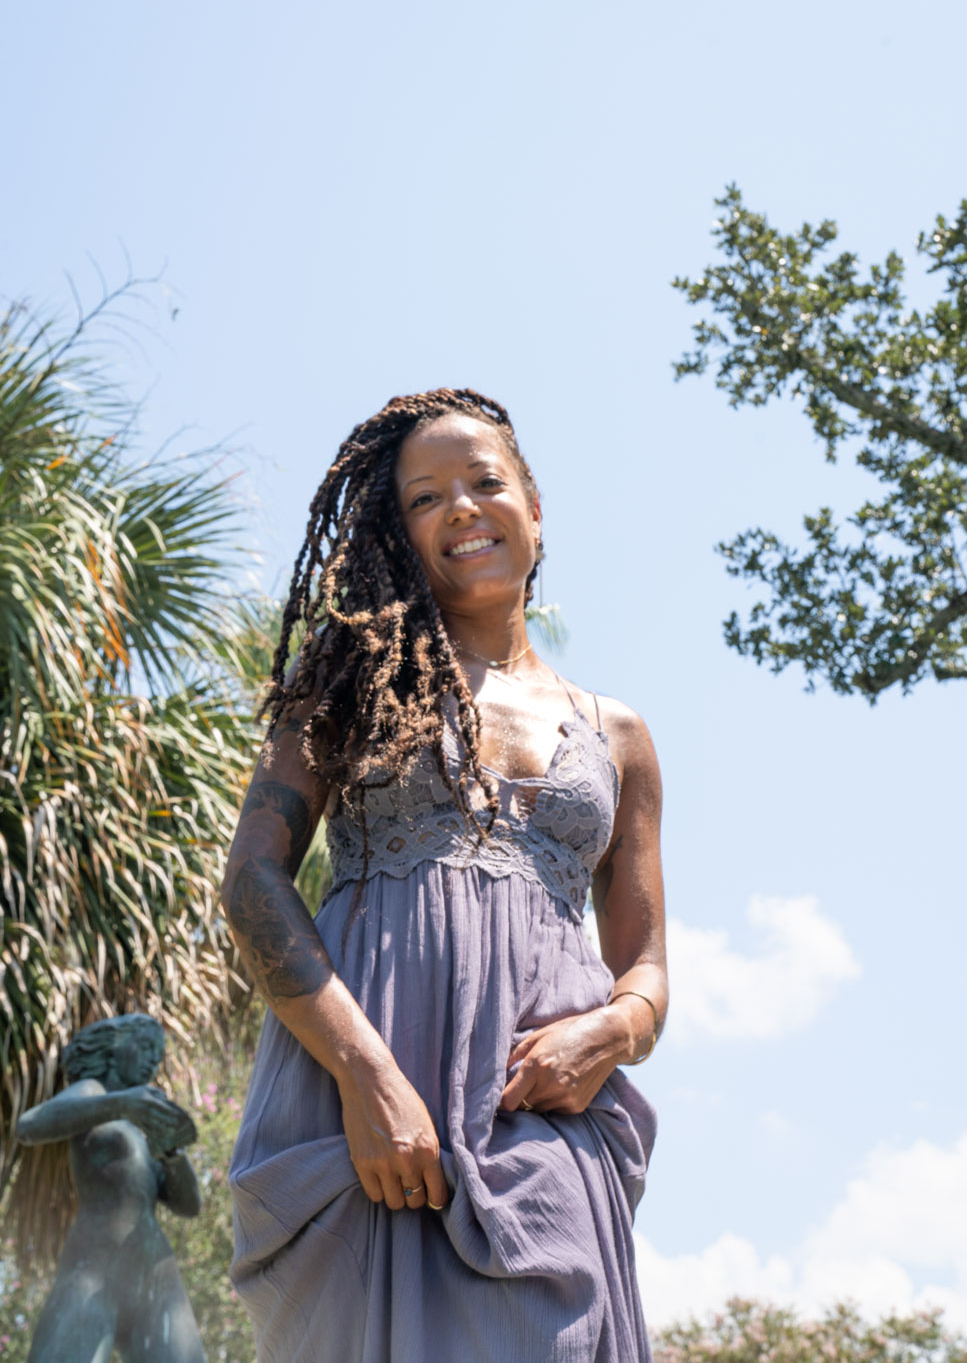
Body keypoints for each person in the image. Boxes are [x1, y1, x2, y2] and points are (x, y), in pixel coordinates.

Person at [222, 388, 666, 1363]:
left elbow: (647, 969)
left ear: (535, 508)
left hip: (543, 1122)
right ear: (400, 533)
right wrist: (365, 1075)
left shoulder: (618, 734)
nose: (461, 507)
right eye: (425, 498)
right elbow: (254, 880)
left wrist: (607, 1031)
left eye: (484, 481)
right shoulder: (345, 688)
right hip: (363, 1123)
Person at [15, 1013, 206, 1363]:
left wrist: (172, 1153)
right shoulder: (92, 1092)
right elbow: (29, 1126)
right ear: (113, 1051)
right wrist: (121, 1104)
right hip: (94, 1268)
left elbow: (190, 1206)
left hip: (154, 1275)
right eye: (145, 1046)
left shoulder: (144, 1127)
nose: (152, 1058)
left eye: (158, 1053)